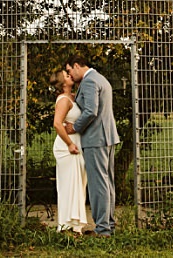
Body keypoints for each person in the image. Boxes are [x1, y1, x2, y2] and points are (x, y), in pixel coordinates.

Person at [64, 54, 120, 236]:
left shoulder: (89, 82)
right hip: (107, 137)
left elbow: (90, 111)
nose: (69, 75)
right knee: (107, 183)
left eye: (69, 70)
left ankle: (102, 229)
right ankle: (108, 225)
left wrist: (75, 128)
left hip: (96, 139)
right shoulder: (100, 78)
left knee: (98, 185)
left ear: (77, 65)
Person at [50, 68, 89, 233]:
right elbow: (57, 124)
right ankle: (66, 225)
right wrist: (69, 144)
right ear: (62, 82)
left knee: (79, 184)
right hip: (68, 147)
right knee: (68, 185)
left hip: (76, 143)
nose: (70, 75)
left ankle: (75, 226)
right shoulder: (64, 100)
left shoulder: (73, 97)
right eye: (67, 76)